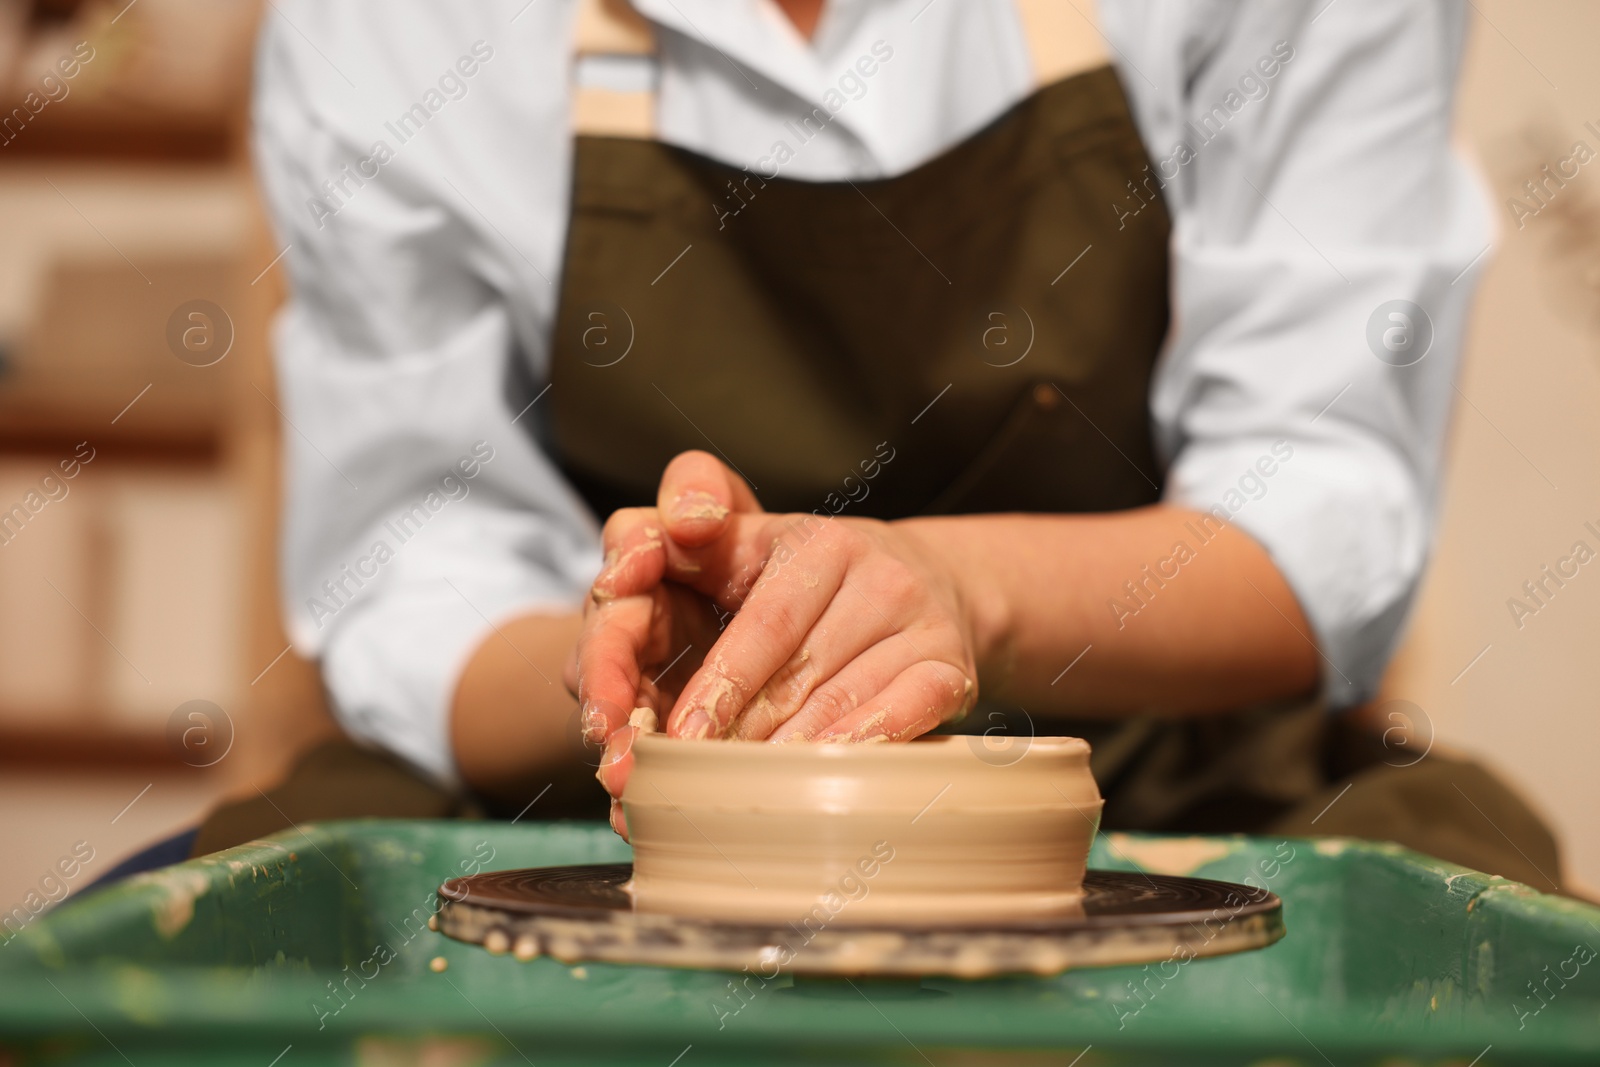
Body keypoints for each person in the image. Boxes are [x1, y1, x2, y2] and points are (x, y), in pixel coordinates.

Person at [201, 0, 1561, 890]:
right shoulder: (387, 26)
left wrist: (962, 595)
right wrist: (637, 658)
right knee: (237, 938)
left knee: (1476, 944)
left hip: (1166, 784)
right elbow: (414, 570)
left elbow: (1321, 497)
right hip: (605, 807)